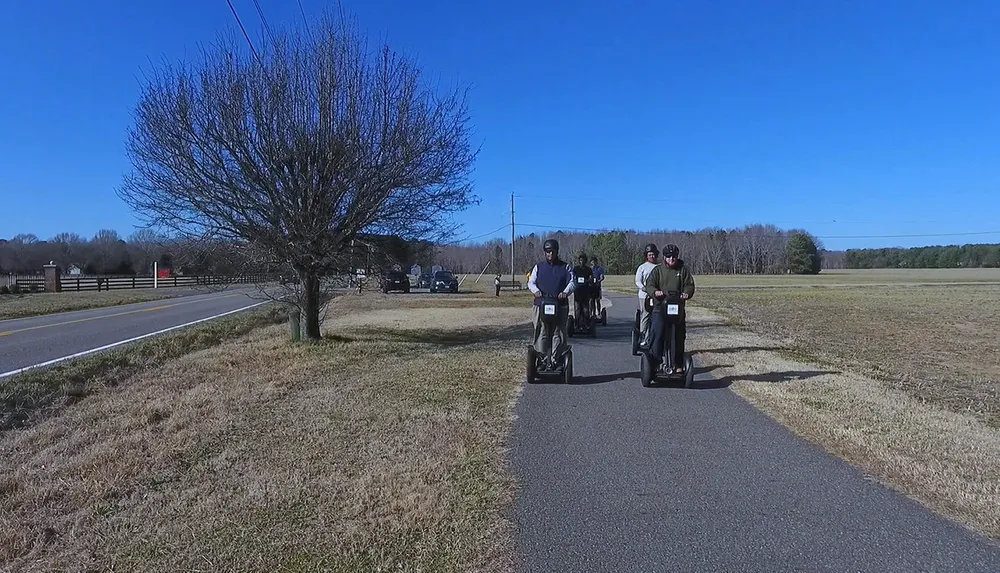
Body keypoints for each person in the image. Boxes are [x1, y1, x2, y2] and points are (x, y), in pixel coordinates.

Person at [643, 243, 696, 374]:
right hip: (659, 308)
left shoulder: (683, 270)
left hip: (677, 309)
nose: (671, 259)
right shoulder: (658, 270)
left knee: (679, 335)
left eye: (674, 256)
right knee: (658, 333)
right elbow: (649, 284)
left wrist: (686, 293)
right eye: (668, 256)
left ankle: (678, 363)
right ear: (664, 257)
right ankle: (655, 363)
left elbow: (689, 285)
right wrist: (655, 292)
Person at [527, 239, 576, 367]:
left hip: (560, 304)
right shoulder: (538, 267)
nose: (550, 254)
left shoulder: (565, 267)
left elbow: (572, 282)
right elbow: (531, 282)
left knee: (557, 332)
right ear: (545, 252)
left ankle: (556, 359)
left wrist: (565, 292)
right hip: (540, 304)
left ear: (556, 251)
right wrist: (536, 291)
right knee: (541, 331)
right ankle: (542, 358)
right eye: (548, 252)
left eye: (552, 251)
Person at [634, 243, 659, 348]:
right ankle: (644, 337)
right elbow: (638, 281)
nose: (651, 256)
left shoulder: (659, 267)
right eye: (649, 255)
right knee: (645, 316)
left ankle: (656, 339)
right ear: (646, 255)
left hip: (656, 296)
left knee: (657, 317)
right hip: (644, 296)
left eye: (653, 254)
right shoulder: (642, 267)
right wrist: (645, 289)